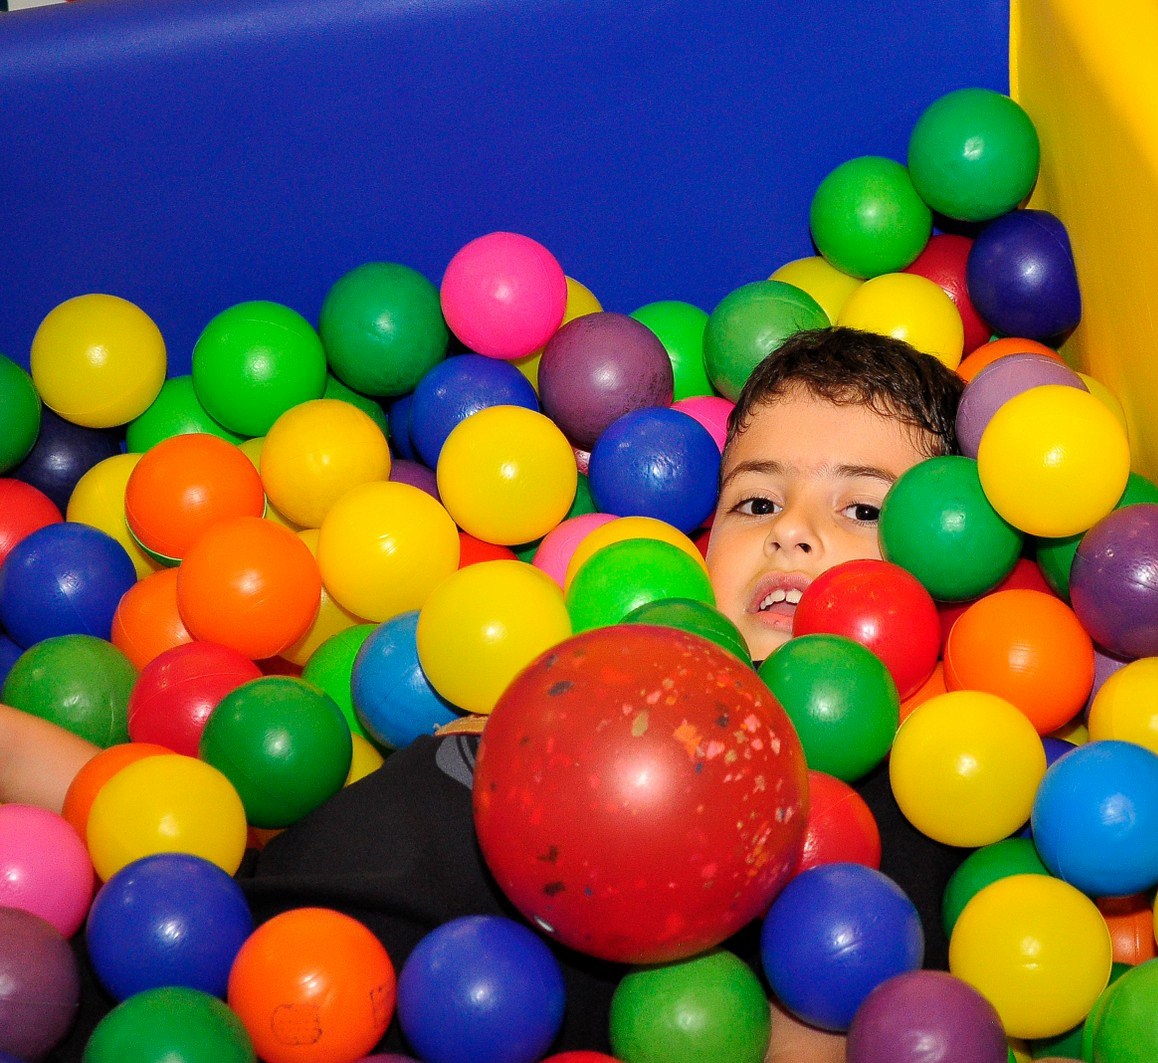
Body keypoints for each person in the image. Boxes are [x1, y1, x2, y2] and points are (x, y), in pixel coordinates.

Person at [0, 326, 971, 1062]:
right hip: (171, 977)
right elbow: (162, 825)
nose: (791, 533)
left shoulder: (902, 792)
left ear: (954, 555)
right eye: (754, 501)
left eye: (861, 507)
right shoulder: (560, 679)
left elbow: (834, 1012)